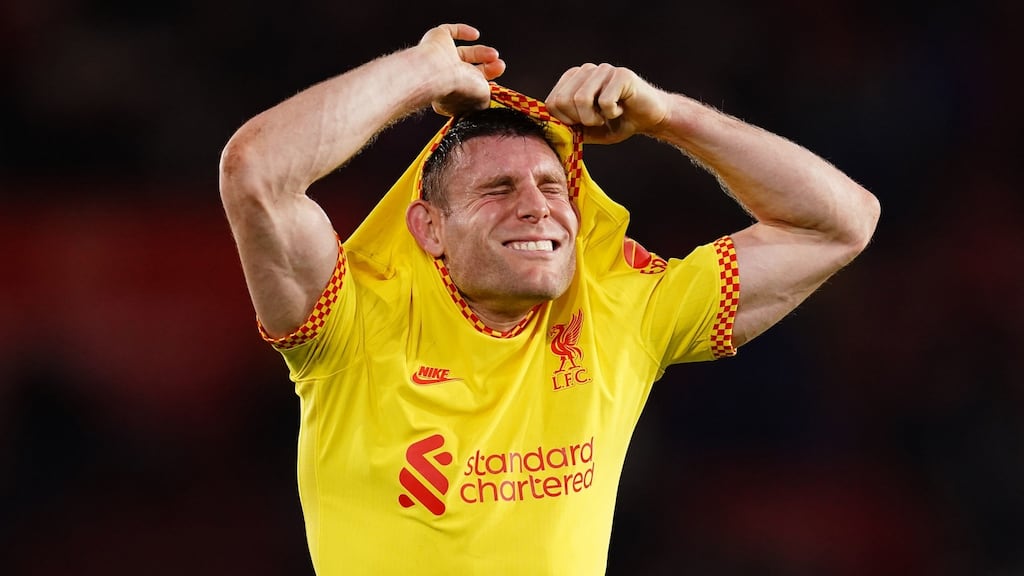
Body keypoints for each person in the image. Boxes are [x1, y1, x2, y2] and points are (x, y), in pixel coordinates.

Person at [218, 23, 879, 576]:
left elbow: (842, 222)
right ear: (430, 228)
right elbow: (256, 173)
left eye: (551, 186)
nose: (536, 207)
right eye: (498, 189)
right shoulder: (350, 318)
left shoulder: (622, 311)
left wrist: (671, 116)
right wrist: (419, 75)